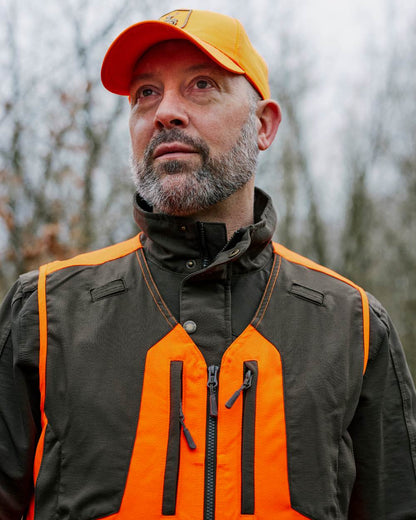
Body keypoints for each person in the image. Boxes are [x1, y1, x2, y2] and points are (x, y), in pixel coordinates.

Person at [0, 8, 415, 520]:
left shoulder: (353, 326)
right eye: (145, 94)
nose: (165, 112)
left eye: (201, 85)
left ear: (263, 126)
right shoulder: (42, 312)